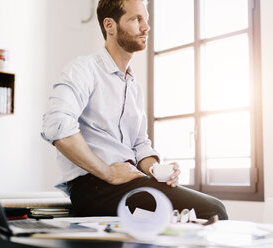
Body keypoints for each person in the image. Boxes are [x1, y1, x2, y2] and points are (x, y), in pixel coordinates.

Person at [42, 0, 228, 220]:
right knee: (213, 209)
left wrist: (156, 170)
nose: (146, 27)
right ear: (110, 26)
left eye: (146, 19)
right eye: (136, 19)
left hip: (130, 181)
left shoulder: (133, 87)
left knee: (196, 214)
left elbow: (140, 145)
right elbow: (57, 125)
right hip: (93, 186)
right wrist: (108, 172)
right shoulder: (84, 69)